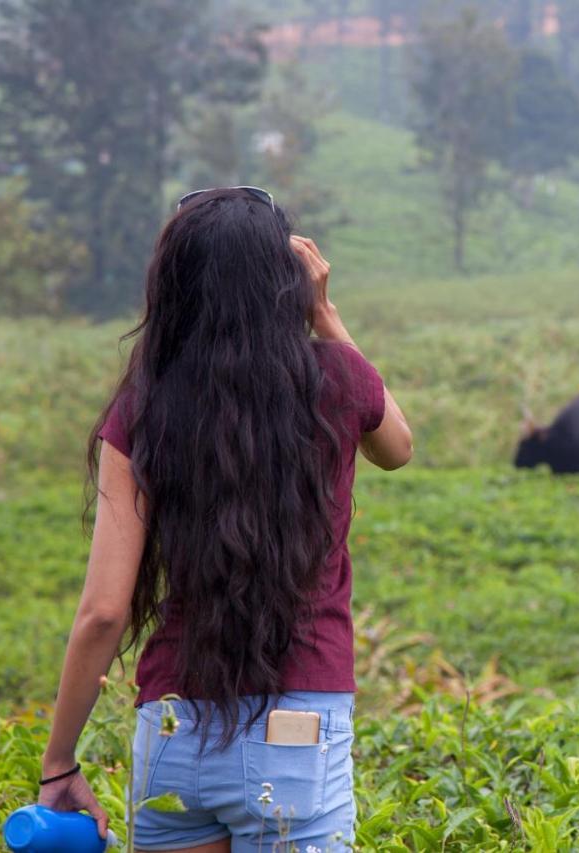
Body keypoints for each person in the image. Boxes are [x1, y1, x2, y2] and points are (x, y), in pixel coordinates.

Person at [35, 187, 413, 852]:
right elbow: (397, 447)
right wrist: (325, 313)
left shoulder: (144, 404)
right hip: (301, 724)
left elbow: (102, 611)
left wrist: (59, 761)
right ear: (285, 281)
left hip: (174, 730)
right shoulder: (338, 380)